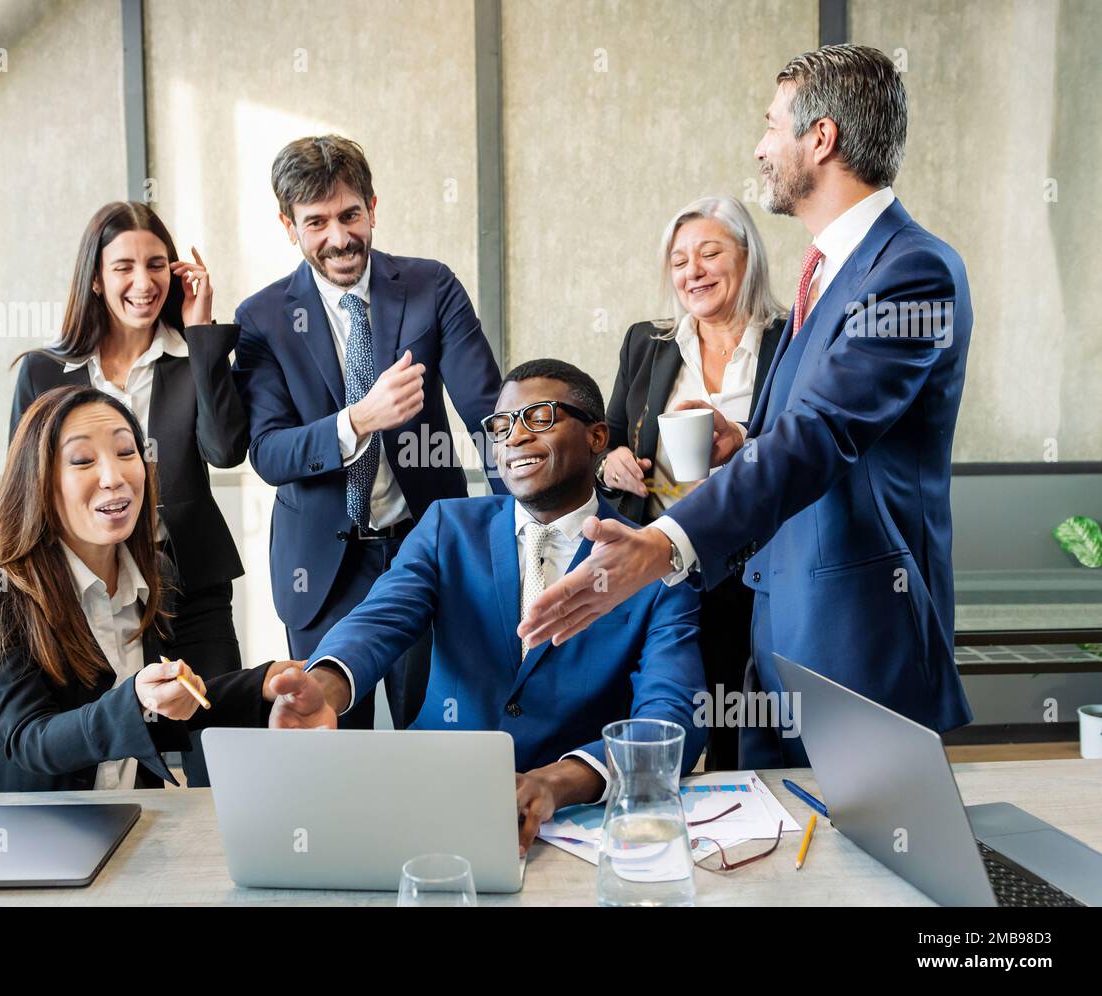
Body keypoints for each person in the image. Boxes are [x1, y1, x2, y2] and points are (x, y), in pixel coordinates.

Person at [519, 44, 974, 768]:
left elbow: (823, 432)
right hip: (784, 627)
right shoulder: (827, 271)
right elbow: (800, 432)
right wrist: (746, 438)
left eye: (771, 126)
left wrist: (666, 542)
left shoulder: (910, 272)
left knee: (857, 877)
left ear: (819, 138)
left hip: (857, 643)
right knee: (779, 861)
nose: (760, 148)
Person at [269, 360, 707, 854]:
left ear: (597, 437)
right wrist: (324, 688)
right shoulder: (447, 528)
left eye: (539, 418)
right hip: (430, 802)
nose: (514, 439)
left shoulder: (654, 563)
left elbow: (673, 720)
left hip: (575, 826)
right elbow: (380, 619)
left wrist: (561, 781)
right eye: (501, 427)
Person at [0, 201, 249, 786]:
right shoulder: (45, 370)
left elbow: (225, 449)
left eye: (157, 265)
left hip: (182, 577)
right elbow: (25, 484)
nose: (143, 281)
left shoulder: (190, 356)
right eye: (124, 266)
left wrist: (203, 332)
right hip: (84, 578)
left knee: (209, 728)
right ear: (96, 278)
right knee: (108, 718)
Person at [0, 386, 329, 793]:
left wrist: (262, 685)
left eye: (126, 453)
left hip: (119, 817)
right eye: (83, 460)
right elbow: (31, 741)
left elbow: (170, 705)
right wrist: (135, 700)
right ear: (40, 481)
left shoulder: (156, 571)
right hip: (6, 827)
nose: (114, 477)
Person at [235, 135, 503, 730]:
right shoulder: (263, 318)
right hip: (321, 570)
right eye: (317, 222)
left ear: (373, 208)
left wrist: (525, 527)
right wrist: (358, 420)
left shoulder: (432, 287)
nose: (339, 238)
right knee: (325, 740)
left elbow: (488, 412)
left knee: (431, 731)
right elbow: (270, 452)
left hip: (424, 548)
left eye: (350, 215)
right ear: (289, 227)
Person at [601, 195, 785, 769]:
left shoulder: (787, 340)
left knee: (740, 716)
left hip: (755, 564)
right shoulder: (646, 342)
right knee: (663, 708)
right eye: (680, 261)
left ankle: (739, 824)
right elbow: (606, 437)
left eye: (709, 254)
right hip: (662, 563)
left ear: (747, 258)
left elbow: (807, 444)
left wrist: (746, 444)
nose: (693, 272)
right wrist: (614, 463)